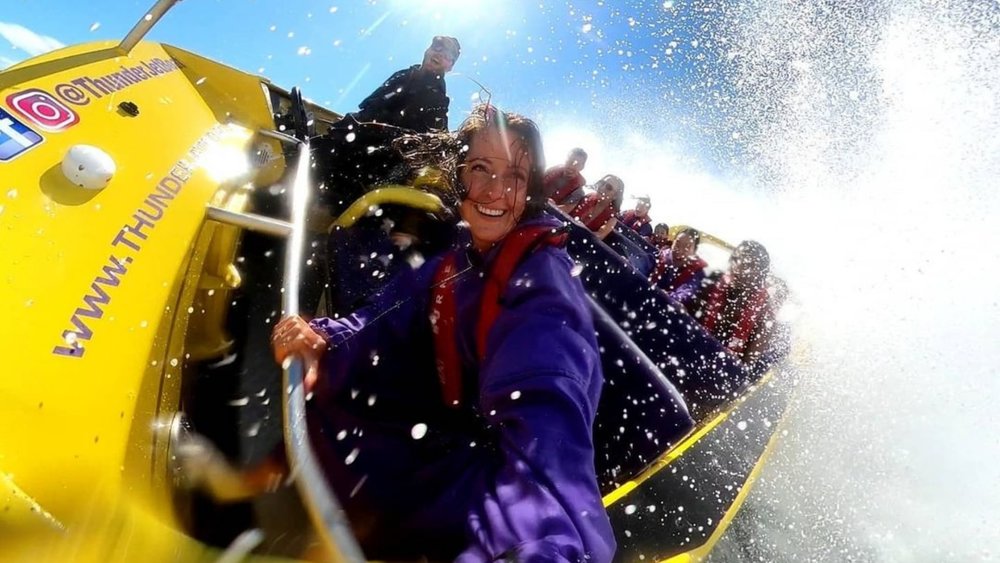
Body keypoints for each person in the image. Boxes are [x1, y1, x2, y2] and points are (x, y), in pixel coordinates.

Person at [192, 105, 616, 562]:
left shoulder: (542, 284)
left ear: (531, 190)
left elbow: (549, 430)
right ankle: (273, 493)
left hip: (487, 472)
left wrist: (545, 549)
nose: (495, 190)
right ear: (458, 177)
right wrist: (324, 336)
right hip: (440, 428)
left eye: (513, 175)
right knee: (352, 381)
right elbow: (381, 318)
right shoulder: (459, 255)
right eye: (480, 169)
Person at [312, 36, 461, 213]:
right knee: (312, 149)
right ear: (427, 49)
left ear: (450, 66)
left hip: (382, 161)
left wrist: (383, 135)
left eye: (447, 53)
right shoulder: (404, 75)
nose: (440, 52)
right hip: (350, 142)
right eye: (437, 46)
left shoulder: (438, 99)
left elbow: (432, 143)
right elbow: (368, 108)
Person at [691, 240, 775, 370]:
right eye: (737, 259)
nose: (738, 266)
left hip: (722, 369)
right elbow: (689, 318)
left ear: (760, 274)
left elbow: (745, 368)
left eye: (748, 264)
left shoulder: (765, 313)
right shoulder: (714, 280)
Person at [650, 227, 707, 306]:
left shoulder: (697, 274)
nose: (679, 250)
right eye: (677, 243)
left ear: (694, 252)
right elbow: (644, 261)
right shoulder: (661, 256)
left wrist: (670, 297)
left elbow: (686, 292)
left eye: (687, 247)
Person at [569, 174, 623, 240]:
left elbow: (600, 235)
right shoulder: (588, 196)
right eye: (602, 183)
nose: (602, 187)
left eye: (609, 187)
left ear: (615, 196)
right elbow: (567, 209)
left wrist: (582, 228)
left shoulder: (612, 218)